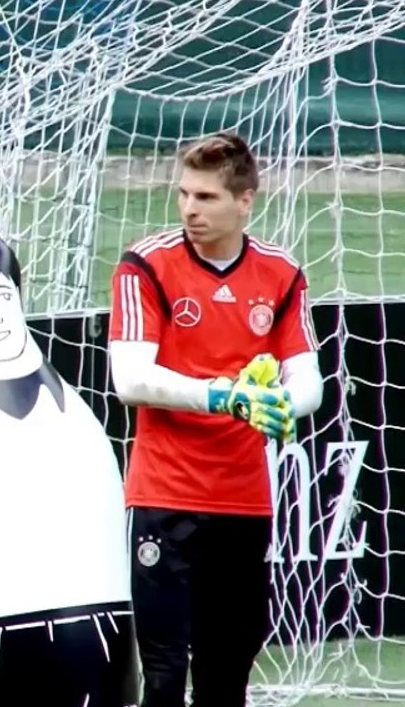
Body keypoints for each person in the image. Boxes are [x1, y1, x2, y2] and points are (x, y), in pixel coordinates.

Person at [106, 131, 325, 707]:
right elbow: (130, 378)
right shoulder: (144, 264)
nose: (189, 210)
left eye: (205, 198)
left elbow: (308, 381)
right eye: (184, 195)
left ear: (244, 200)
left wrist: (282, 403)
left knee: (228, 669)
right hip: (164, 496)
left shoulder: (281, 273)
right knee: (163, 668)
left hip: (242, 499)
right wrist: (224, 397)